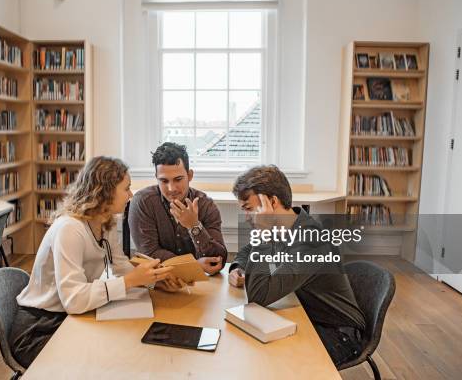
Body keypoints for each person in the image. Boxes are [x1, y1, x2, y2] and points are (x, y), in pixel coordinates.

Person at [11, 156, 183, 368]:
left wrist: (155, 280)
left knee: (123, 350)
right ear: (106, 192)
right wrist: (130, 281)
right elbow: (73, 300)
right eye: (126, 188)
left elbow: (120, 266)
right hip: (39, 328)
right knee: (105, 361)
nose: (130, 195)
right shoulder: (70, 229)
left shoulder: (105, 221)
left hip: (68, 318)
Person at [229, 165, 366, 367]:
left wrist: (264, 234)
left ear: (272, 202)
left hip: (337, 333)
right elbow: (245, 253)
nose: (247, 217)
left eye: (249, 209)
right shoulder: (286, 225)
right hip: (306, 315)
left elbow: (259, 296)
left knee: (258, 357)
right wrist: (237, 268)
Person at [129, 142, 227, 275]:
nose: (171, 188)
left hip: (200, 285)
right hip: (158, 281)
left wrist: (194, 226)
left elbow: (218, 260)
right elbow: (149, 253)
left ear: (190, 175)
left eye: (178, 179)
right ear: (156, 178)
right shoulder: (143, 202)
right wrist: (193, 265)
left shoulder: (206, 205)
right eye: (164, 181)